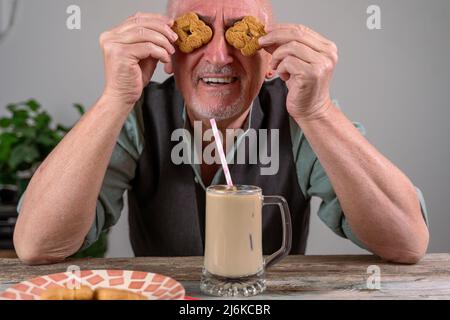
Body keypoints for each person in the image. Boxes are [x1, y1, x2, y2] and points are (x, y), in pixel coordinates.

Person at [14, 0, 429, 265]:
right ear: (169, 54)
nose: (218, 54)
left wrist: (318, 112)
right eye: (199, 31)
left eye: (240, 31)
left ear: (269, 60)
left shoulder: (301, 114)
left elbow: (407, 243)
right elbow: (38, 246)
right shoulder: (137, 113)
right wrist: (113, 98)